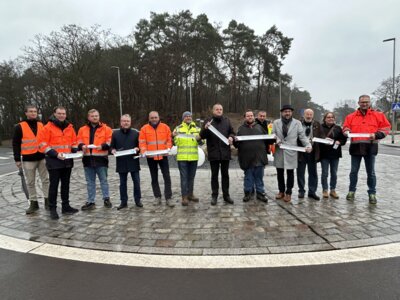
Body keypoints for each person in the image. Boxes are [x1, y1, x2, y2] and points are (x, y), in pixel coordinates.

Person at [343, 95, 391, 204]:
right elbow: (345, 127)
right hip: (355, 147)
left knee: (371, 173)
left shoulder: (378, 115)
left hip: (370, 147)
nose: (364, 104)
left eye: (366, 102)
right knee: (353, 172)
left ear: (369, 103)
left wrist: (377, 135)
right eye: (362, 102)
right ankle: (351, 191)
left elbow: (386, 128)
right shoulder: (351, 116)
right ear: (358, 103)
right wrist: (346, 132)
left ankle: (372, 193)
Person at [37, 106, 79, 220]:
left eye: (63, 113)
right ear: (54, 114)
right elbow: (42, 144)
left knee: (66, 185)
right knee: (54, 186)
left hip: (67, 160)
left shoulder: (70, 127)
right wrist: (55, 154)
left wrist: (76, 150)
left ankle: (66, 206)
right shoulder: (47, 128)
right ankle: (53, 209)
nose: (61, 115)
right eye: (59, 113)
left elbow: (74, 142)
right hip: (54, 161)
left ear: (66, 114)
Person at [12, 105, 49, 214]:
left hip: (42, 157)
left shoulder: (41, 124)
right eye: (31, 111)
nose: (33, 113)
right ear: (26, 113)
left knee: (46, 180)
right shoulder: (19, 126)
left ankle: (48, 200)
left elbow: (45, 140)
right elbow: (16, 144)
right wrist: (17, 159)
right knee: (30, 182)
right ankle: (34, 203)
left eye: (35, 111)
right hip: (28, 159)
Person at [272, 104, 311, 202]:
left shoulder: (297, 123)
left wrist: (308, 145)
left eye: (289, 111)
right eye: (285, 111)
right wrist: (276, 139)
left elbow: (302, 136)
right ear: (282, 112)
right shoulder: (276, 122)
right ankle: (281, 191)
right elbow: (272, 134)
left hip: (291, 151)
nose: (287, 113)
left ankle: (288, 193)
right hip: (279, 151)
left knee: (290, 173)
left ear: (291, 112)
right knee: (279, 173)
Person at [199, 103, 235, 205]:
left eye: (221, 109)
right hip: (213, 153)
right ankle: (214, 196)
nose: (219, 111)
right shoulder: (208, 121)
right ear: (213, 111)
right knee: (214, 176)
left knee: (225, 175)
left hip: (225, 153)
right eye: (217, 109)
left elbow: (232, 132)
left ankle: (226, 195)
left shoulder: (227, 121)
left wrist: (231, 137)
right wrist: (205, 128)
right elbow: (202, 136)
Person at [77, 109, 113, 210]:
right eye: (92, 116)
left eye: (96, 116)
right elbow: (78, 140)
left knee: (104, 181)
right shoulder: (82, 129)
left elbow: (110, 142)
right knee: (90, 182)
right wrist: (82, 146)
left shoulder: (107, 129)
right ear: (88, 117)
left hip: (101, 159)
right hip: (88, 159)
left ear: (99, 117)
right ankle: (91, 201)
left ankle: (106, 199)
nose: (95, 117)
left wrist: (102, 146)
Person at [139, 111, 174, 207]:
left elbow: (169, 140)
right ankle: (157, 196)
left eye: (155, 117)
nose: (154, 119)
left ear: (159, 117)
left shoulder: (165, 127)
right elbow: (142, 142)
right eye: (152, 118)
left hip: (163, 156)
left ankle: (168, 197)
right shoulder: (144, 129)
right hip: (151, 157)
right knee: (154, 177)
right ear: (149, 118)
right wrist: (143, 151)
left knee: (167, 176)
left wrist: (168, 147)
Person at [234, 110, 268, 203]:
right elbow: (236, 144)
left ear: (254, 117)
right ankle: (248, 193)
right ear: (245, 117)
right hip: (246, 158)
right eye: (248, 116)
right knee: (248, 177)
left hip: (259, 157)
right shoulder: (240, 129)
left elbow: (267, 140)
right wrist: (234, 140)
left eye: (251, 115)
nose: (250, 117)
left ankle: (260, 193)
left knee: (259, 177)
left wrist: (273, 139)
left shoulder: (260, 127)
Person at [111, 114, 142, 210]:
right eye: (124, 121)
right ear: (121, 122)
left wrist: (138, 148)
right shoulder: (115, 134)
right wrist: (112, 150)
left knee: (136, 182)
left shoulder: (136, 133)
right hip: (121, 162)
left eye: (127, 121)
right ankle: (123, 202)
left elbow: (141, 146)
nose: (126, 123)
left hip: (133, 161)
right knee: (122, 183)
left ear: (130, 122)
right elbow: (111, 147)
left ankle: (138, 200)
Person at [173, 111, 202, 206]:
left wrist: (200, 139)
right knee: (184, 178)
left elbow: (203, 142)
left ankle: (190, 194)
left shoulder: (197, 129)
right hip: (182, 158)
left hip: (193, 157)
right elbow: (175, 142)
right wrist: (173, 136)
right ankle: (184, 197)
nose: (188, 117)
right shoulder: (178, 129)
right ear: (183, 118)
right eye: (186, 116)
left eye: (190, 116)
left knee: (191, 177)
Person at [319, 112, 347, 199]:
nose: (330, 119)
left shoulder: (338, 128)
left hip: (335, 154)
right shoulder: (320, 128)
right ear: (325, 119)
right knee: (325, 173)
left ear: (334, 119)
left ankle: (333, 190)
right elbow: (316, 139)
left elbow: (344, 139)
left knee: (334, 173)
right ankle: (325, 190)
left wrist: (340, 142)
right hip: (324, 154)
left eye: (332, 117)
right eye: (328, 117)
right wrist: (323, 141)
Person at [297, 109, 322, 200]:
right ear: (303, 115)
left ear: (313, 115)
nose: (309, 116)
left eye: (311, 114)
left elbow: (321, 136)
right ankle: (301, 191)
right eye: (307, 114)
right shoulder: (298, 123)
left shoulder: (317, 124)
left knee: (313, 173)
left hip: (313, 151)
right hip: (301, 152)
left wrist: (326, 139)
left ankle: (312, 192)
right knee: (300, 173)